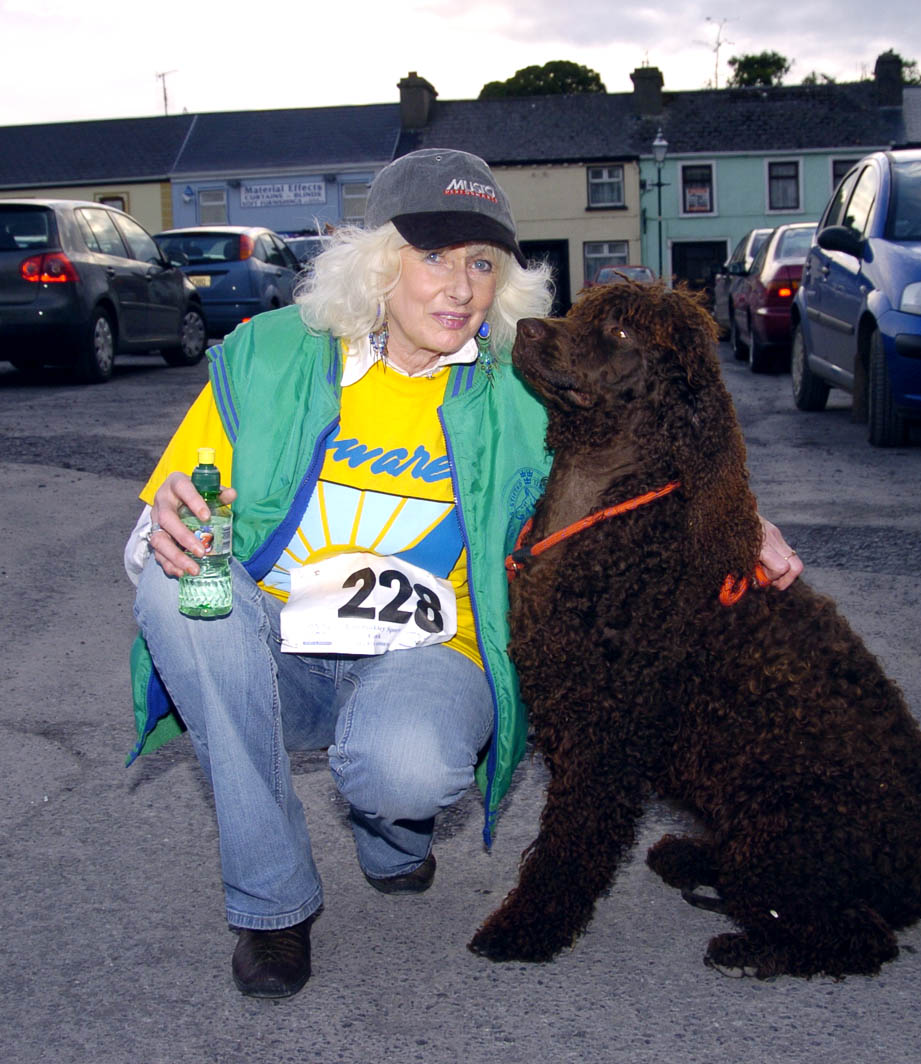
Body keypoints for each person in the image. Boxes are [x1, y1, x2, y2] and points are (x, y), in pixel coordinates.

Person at [124, 149, 804, 999]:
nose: (461, 288)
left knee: (400, 767)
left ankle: (394, 831)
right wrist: (168, 527)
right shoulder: (270, 356)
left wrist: (744, 525)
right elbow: (165, 523)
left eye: (482, 263)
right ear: (378, 263)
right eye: (434, 257)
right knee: (176, 591)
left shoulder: (524, 385)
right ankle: (272, 906)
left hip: (434, 656)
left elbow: (658, 453)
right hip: (279, 649)